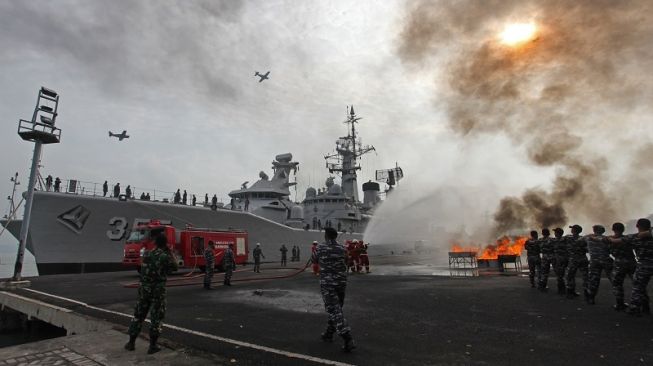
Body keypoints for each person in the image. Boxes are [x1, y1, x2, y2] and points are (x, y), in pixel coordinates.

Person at [125, 233, 178, 354]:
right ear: (165, 244)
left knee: (138, 315)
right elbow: (175, 267)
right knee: (156, 317)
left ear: (155, 243)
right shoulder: (164, 256)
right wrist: (170, 252)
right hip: (157, 290)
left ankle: (131, 342)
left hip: (144, 289)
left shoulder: (147, 254)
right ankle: (152, 346)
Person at [312, 227, 355, 352]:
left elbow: (314, 260)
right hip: (341, 283)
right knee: (337, 308)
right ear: (336, 236)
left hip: (328, 283)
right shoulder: (342, 248)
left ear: (326, 235)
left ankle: (348, 338)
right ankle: (329, 333)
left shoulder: (320, 247)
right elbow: (348, 261)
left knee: (334, 309)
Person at [608, 222, 636, 311]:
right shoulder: (628, 238)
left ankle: (620, 304)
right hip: (631, 263)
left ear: (613, 229)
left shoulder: (609, 240)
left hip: (619, 264)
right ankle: (643, 306)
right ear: (623, 229)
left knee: (617, 285)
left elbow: (610, 251)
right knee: (637, 284)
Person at [585, 225, 613, 304]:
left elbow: (579, 242)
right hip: (606, 260)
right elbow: (611, 249)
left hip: (594, 261)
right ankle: (619, 302)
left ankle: (591, 298)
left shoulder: (588, 238)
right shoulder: (606, 239)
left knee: (593, 280)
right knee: (614, 280)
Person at [565, 225, 589, 300]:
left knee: (570, 276)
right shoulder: (584, 239)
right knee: (585, 276)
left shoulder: (568, 237)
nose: (571, 230)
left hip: (573, 259)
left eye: (572, 229)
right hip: (583, 258)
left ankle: (570, 292)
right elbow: (588, 249)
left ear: (573, 230)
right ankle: (587, 293)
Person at [551, 228, 569, 296]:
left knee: (560, 275)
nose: (555, 233)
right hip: (561, 259)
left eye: (555, 232)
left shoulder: (561, 240)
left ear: (558, 233)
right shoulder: (564, 239)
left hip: (560, 260)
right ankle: (563, 289)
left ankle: (561, 289)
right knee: (561, 275)